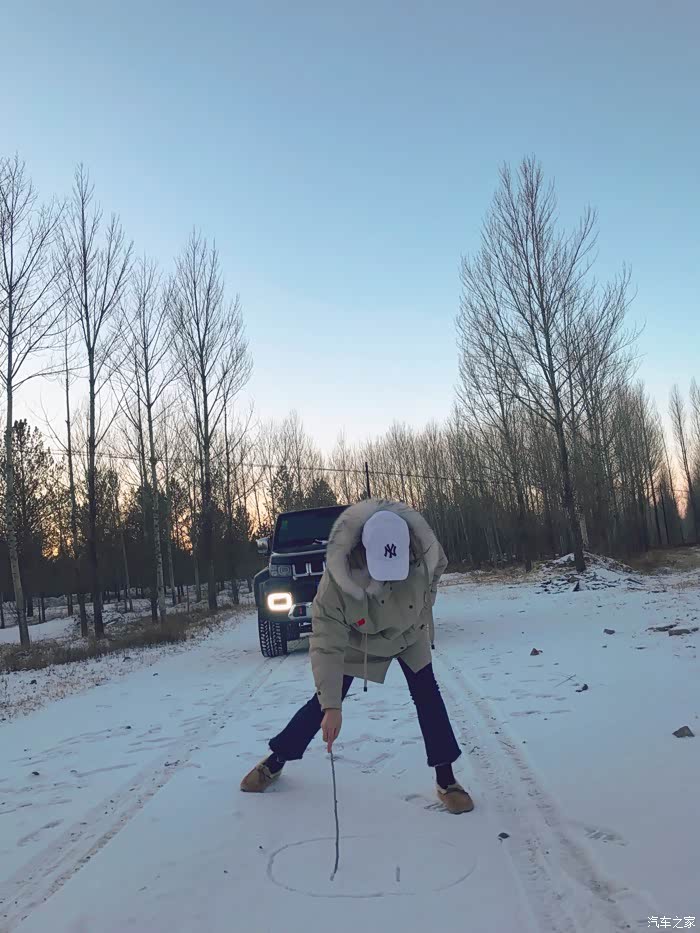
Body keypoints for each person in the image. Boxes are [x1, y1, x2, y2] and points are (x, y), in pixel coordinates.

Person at [240, 499, 474, 814]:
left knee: (428, 695)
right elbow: (325, 645)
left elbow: (433, 580)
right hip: (359, 641)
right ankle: (276, 760)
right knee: (321, 705)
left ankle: (446, 779)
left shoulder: (426, 557)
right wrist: (332, 707)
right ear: (361, 552)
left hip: (409, 633)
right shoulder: (336, 583)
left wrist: (420, 612)